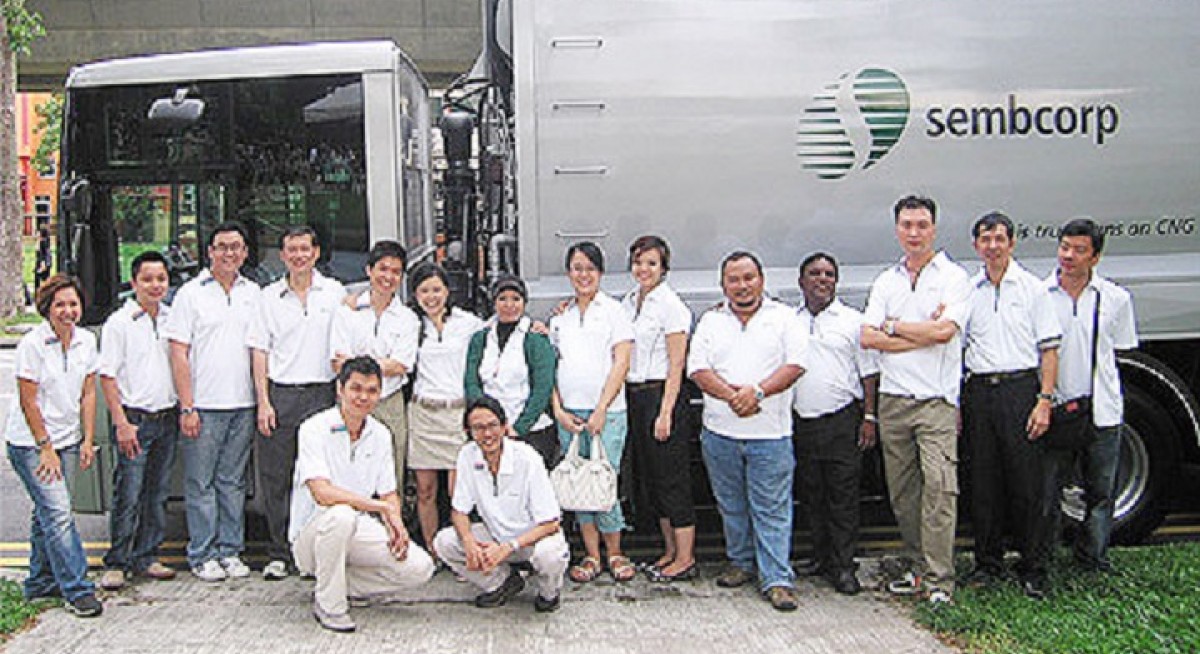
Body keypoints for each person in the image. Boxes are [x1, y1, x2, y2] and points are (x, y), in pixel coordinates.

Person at [861, 195, 970, 605]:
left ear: (934, 229)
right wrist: (919, 332)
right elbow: (867, 336)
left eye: (922, 225)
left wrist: (893, 328)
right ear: (897, 229)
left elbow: (945, 333)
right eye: (907, 225)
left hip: (934, 402)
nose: (914, 232)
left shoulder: (953, 277)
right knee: (904, 495)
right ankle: (919, 568)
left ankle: (941, 582)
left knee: (940, 490)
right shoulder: (886, 281)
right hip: (893, 400)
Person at [688, 251, 807, 612]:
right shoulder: (711, 321)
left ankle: (777, 579)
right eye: (734, 279)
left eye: (748, 278)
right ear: (723, 285)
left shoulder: (784, 318)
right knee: (731, 505)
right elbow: (698, 369)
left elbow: (795, 365)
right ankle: (741, 562)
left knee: (771, 508)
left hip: (770, 434)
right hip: (720, 432)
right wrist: (734, 397)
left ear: (762, 280)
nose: (742, 286)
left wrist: (757, 393)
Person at [290, 356, 436, 633]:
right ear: (340, 389)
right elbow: (322, 493)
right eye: (356, 389)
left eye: (371, 391)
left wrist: (397, 525)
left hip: (356, 527)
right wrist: (380, 509)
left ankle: (334, 586)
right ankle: (330, 606)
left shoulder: (380, 434)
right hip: (312, 534)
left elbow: (388, 493)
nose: (363, 397)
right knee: (341, 515)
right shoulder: (314, 428)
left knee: (419, 568)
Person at [960, 212, 1062, 599]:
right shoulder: (969, 291)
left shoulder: (1033, 289)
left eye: (999, 239)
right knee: (983, 482)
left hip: (1020, 391)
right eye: (985, 240)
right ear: (976, 246)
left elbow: (1049, 350)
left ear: (1012, 243)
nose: (992, 246)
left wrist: (1044, 401)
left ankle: (1033, 567)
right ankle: (987, 564)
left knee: (1026, 484)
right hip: (980, 392)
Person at [163, 221, 262, 582]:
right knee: (200, 484)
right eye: (221, 247)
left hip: (243, 405)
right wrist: (187, 406)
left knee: (232, 483)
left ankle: (230, 551)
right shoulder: (191, 295)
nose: (228, 253)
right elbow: (178, 353)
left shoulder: (254, 293)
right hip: (203, 406)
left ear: (245, 253)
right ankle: (202, 554)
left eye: (235, 247)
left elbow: (259, 349)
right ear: (209, 252)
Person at [248, 226, 346, 580]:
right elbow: (260, 351)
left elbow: (344, 343)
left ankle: (314, 552)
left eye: (305, 249)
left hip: (323, 395)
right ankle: (279, 552)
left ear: (316, 253)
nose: (299, 256)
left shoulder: (334, 293)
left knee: (321, 477)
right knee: (276, 478)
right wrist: (263, 402)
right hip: (282, 395)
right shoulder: (268, 297)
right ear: (283, 255)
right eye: (292, 250)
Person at [4, 274, 103, 617]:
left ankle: (40, 582)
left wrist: (87, 439)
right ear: (47, 308)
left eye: (73, 304)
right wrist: (45, 447)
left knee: (47, 512)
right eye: (60, 305)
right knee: (59, 514)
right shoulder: (32, 344)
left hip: (68, 440)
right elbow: (28, 400)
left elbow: (88, 393)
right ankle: (78, 589)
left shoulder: (87, 341)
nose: (68, 311)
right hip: (31, 444)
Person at [1044, 218, 1137, 574]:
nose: (1069, 256)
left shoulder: (1115, 298)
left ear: (1095, 257)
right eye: (1065, 247)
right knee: (1049, 491)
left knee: (1101, 491)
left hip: (1103, 410)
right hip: (1057, 408)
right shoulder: (1040, 295)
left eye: (1079, 250)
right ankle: (1044, 557)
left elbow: (1121, 351)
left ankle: (1093, 557)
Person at [791, 252, 879, 596]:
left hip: (842, 420)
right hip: (802, 421)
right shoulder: (790, 321)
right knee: (811, 494)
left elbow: (869, 373)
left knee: (843, 496)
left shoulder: (853, 322)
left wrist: (869, 416)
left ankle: (843, 566)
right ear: (801, 282)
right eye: (814, 273)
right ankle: (819, 557)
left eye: (829, 274)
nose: (822, 279)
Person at [549, 242, 636, 584]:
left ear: (600, 273)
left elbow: (621, 362)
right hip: (570, 413)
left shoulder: (614, 311)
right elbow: (550, 367)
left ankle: (615, 552)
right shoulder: (561, 317)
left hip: (608, 412)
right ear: (568, 273)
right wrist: (558, 409)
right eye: (577, 268)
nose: (583, 275)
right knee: (577, 481)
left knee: (603, 480)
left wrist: (601, 409)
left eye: (589, 268)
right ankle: (591, 555)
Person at [434, 396, 570, 612]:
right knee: (445, 542)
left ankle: (549, 593)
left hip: (533, 540)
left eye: (492, 425)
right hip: (496, 537)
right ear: (468, 432)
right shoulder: (467, 455)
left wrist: (509, 547)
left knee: (549, 556)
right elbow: (459, 511)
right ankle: (502, 582)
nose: (487, 434)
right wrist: (469, 543)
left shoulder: (527, 458)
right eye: (478, 428)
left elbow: (551, 523)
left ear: (505, 426)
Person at [97, 251, 180, 590]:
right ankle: (117, 561)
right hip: (135, 420)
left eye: (161, 279)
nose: (155, 285)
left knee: (157, 494)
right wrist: (121, 423)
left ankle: (147, 556)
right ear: (133, 283)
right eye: (147, 279)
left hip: (167, 418)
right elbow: (107, 376)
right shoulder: (119, 323)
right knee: (128, 494)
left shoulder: (173, 318)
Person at [619, 236, 697, 582]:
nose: (644, 269)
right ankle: (669, 551)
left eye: (651, 263)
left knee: (672, 479)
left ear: (664, 267)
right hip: (635, 396)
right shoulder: (628, 302)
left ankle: (686, 557)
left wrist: (666, 413)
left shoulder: (671, 306)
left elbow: (676, 364)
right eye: (638, 262)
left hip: (662, 396)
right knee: (653, 479)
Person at [405, 262, 483, 559]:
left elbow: (501, 327)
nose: (431, 297)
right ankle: (433, 551)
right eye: (424, 290)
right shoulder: (411, 324)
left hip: (455, 415)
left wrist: (535, 326)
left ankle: (460, 550)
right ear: (415, 294)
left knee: (457, 492)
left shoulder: (467, 323)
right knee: (425, 490)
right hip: (423, 413)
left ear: (447, 291)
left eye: (436, 289)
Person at [329, 240, 419, 496]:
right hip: (350, 401)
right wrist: (381, 364)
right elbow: (338, 363)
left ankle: (390, 521)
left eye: (395, 272)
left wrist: (357, 363)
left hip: (390, 401)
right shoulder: (347, 312)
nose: (388, 277)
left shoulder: (407, 319)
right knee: (348, 470)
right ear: (369, 270)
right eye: (383, 269)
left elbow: (401, 364)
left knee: (391, 473)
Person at [464, 275, 559, 470]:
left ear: (524, 303)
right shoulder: (480, 338)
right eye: (502, 299)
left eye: (515, 299)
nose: (509, 305)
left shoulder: (535, 339)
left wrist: (519, 427)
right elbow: (471, 381)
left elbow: (542, 388)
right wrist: (486, 421)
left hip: (530, 430)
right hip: (489, 431)